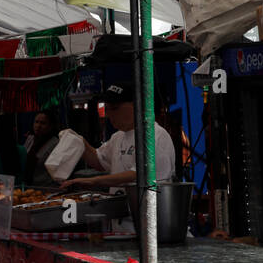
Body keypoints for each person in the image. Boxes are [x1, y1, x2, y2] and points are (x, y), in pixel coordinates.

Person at [64, 81, 176, 232]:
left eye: (115, 108)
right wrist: (79, 142)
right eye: (107, 108)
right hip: (120, 224)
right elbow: (99, 160)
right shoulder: (118, 137)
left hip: (149, 226)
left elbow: (138, 174)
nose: (109, 114)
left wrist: (93, 181)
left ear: (136, 105)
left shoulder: (155, 135)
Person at [23, 110, 62, 187]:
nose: (38, 126)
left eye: (43, 123)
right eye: (36, 122)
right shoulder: (30, 139)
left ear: (51, 126)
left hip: (47, 186)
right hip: (29, 185)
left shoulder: (55, 143)